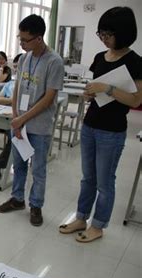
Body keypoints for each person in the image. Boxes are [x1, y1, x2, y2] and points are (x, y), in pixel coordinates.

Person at [58, 7, 141, 242]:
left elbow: (136, 100)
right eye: (101, 33)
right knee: (88, 178)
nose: (103, 38)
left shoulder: (135, 62)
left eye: (108, 33)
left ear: (123, 33)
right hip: (90, 124)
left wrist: (108, 89)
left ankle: (98, 225)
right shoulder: (99, 58)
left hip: (112, 131)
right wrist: (89, 94)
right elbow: (94, 88)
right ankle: (81, 217)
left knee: (105, 182)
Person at [0, 14, 64, 227]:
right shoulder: (25, 58)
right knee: (19, 164)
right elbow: (17, 88)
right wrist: (16, 117)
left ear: (39, 38)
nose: (21, 43)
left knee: (38, 169)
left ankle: (36, 205)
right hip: (20, 123)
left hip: (39, 125)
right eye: (19, 38)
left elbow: (49, 98)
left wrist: (23, 118)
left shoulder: (54, 61)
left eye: (25, 40)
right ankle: (17, 199)